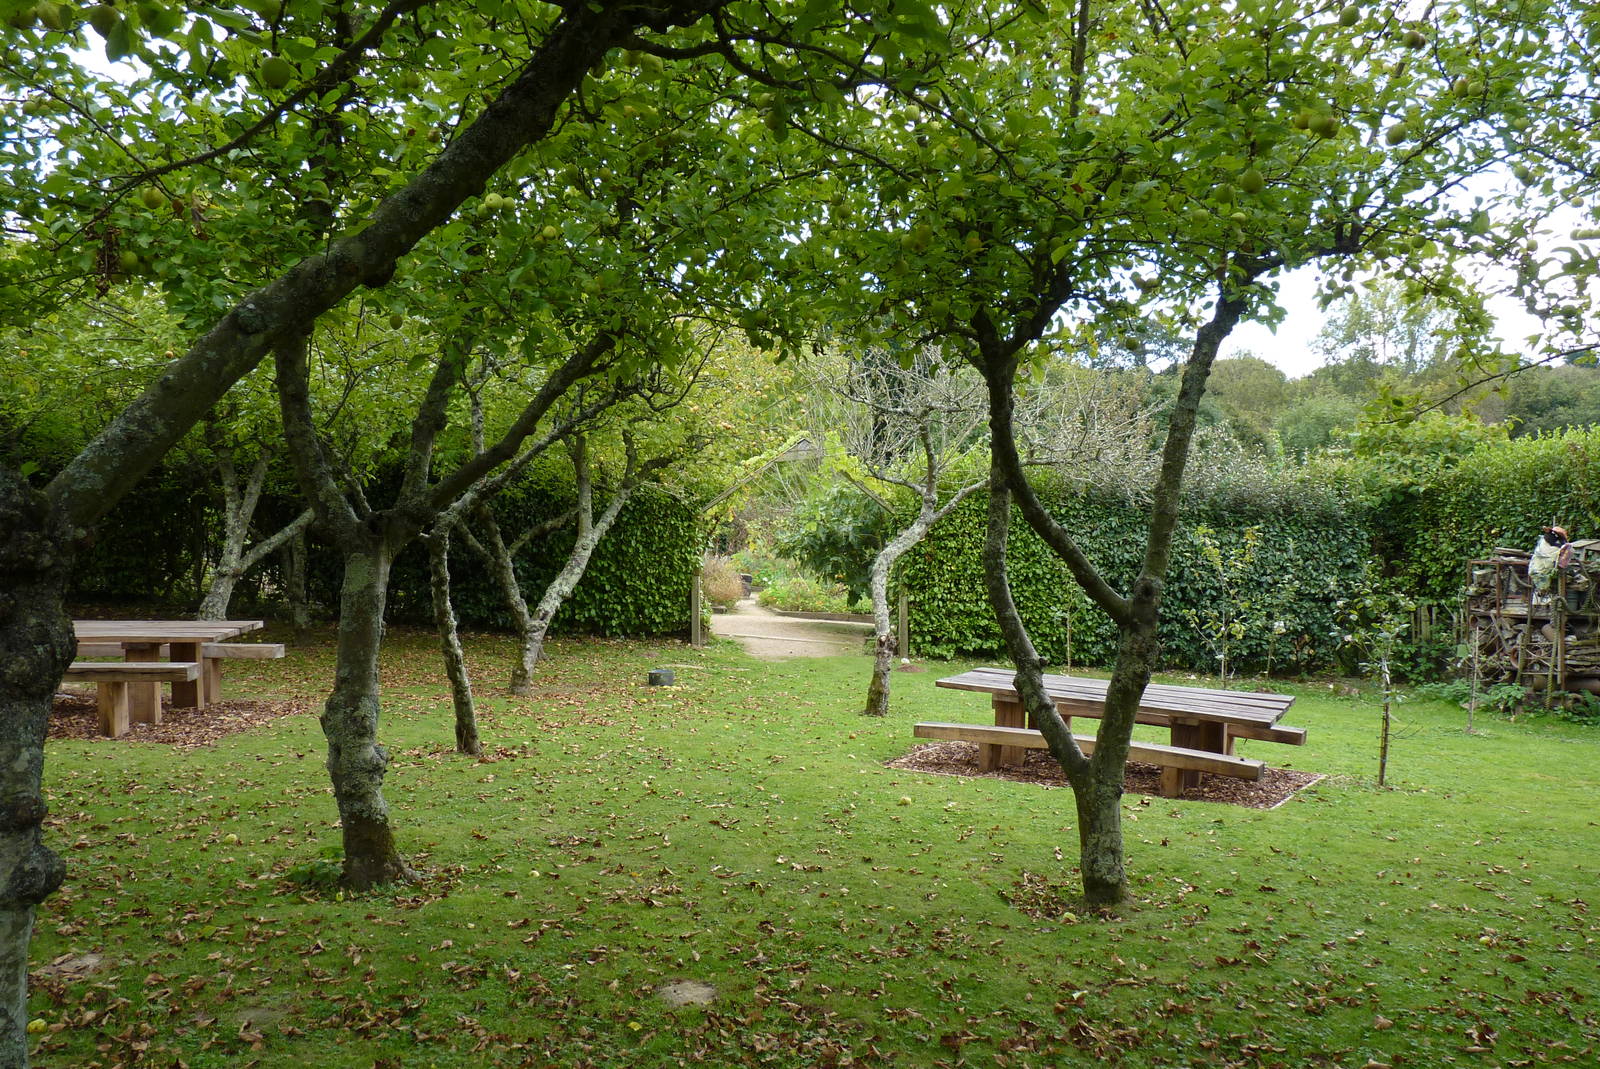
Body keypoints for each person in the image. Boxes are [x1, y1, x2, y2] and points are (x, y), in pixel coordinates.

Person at [1528, 525, 1571, 594]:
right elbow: (1549, 550)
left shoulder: (1554, 539)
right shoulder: (1548, 539)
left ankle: (1543, 591)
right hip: (1544, 563)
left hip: (1542, 565)